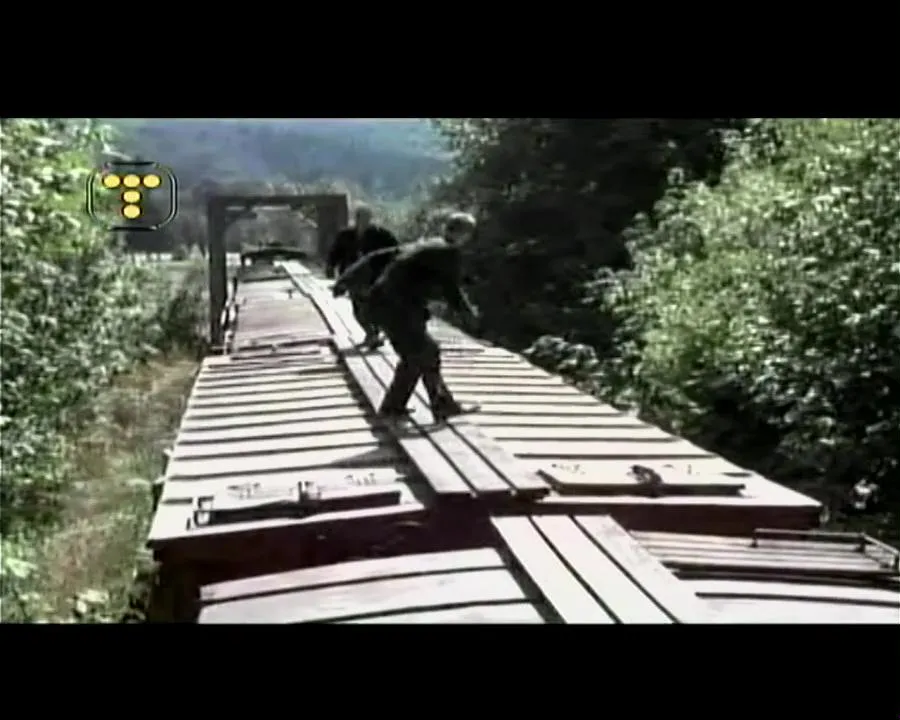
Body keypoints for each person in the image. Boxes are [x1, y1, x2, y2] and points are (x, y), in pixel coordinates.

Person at [333, 211, 481, 423]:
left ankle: (415, 405)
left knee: (420, 354)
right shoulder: (447, 252)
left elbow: (376, 257)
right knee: (423, 353)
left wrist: (345, 280)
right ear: (465, 234)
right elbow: (451, 289)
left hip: (386, 306)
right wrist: (468, 315)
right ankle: (414, 406)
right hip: (397, 308)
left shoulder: (426, 245)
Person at [325, 204, 399, 349]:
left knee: (373, 306)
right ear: (356, 218)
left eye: (366, 217)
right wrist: (330, 267)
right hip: (353, 277)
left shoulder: (381, 235)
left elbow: (395, 251)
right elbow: (335, 252)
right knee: (358, 309)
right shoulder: (346, 235)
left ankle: (374, 334)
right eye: (360, 217)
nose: (363, 220)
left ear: (370, 218)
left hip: (375, 277)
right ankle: (371, 334)